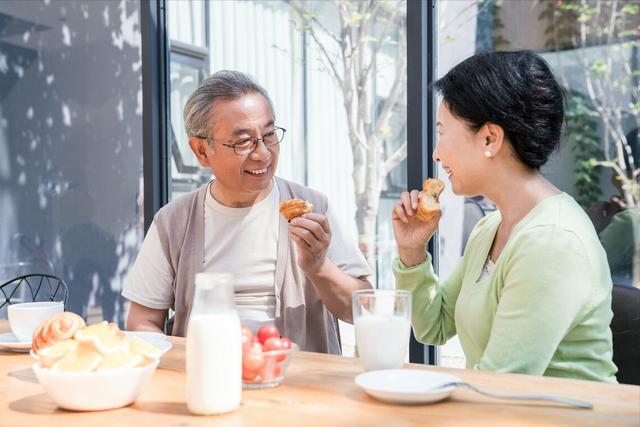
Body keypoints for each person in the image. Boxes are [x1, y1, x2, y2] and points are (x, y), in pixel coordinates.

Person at [391, 51, 617, 382]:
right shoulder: (490, 228)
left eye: (442, 132)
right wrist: (412, 253)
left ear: (489, 138)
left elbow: (499, 386)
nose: (437, 153)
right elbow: (433, 326)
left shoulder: (552, 242)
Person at [122, 70, 372, 354]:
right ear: (201, 151)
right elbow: (142, 321)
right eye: (243, 141)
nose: (263, 153)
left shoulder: (313, 208)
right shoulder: (173, 222)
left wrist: (319, 266)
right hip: (205, 375)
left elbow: (364, 311)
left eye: (269, 135)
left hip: (300, 381)